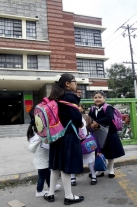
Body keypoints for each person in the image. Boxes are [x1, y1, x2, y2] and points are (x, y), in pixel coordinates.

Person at [44, 74, 84, 205]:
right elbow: (77, 118)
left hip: (56, 135)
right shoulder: (71, 97)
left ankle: (50, 194)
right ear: (67, 83)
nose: (76, 84)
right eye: (74, 82)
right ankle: (69, 196)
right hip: (68, 135)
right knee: (67, 165)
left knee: (56, 166)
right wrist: (80, 122)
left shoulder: (55, 97)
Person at [88, 90, 125, 178]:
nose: (97, 99)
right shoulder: (93, 109)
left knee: (110, 152)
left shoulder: (108, 107)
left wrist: (97, 122)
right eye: (95, 97)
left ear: (104, 98)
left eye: (100, 97)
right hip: (98, 133)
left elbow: (109, 117)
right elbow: (90, 118)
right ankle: (100, 170)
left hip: (109, 132)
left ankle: (111, 169)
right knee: (99, 152)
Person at [27, 121, 61, 197]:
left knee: (48, 174)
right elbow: (47, 147)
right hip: (41, 162)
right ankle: (39, 191)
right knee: (42, 176)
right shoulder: (39, 139)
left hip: (43, 161)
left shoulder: (35, 138)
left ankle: (51, 187)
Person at [71, 104, 97, 186]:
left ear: (82, 109)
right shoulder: (69, 117)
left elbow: (92, 127)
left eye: (78, 106)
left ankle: (93, 175)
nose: (77, 108)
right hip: (73, 141)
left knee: (89, 158)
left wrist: (96, 126)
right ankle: (72, 177)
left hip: (85, 141)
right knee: (73, 159)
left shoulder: (87, 117)